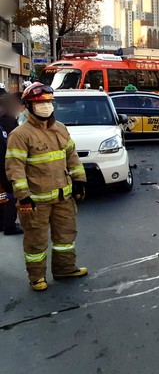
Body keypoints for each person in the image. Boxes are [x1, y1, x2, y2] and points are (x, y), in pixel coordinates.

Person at [5, 83, 88, 292]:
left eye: (49, 102)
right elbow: (15, 167)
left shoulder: (60, 128)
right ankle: (37, 277)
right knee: (36, 243)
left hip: (63, 198)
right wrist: (23, 196)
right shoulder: (20, 134)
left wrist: (79, 181)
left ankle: (65, 269)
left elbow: (72, 157)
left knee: (65, 238)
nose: (46, 106)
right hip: (36, 202)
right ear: (29, 106)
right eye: (40, 103)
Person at [0, 93, 24, 235]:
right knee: (11, 192)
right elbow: (13, 141)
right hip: (4, 160)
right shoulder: (7, 119)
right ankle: (9, 225)